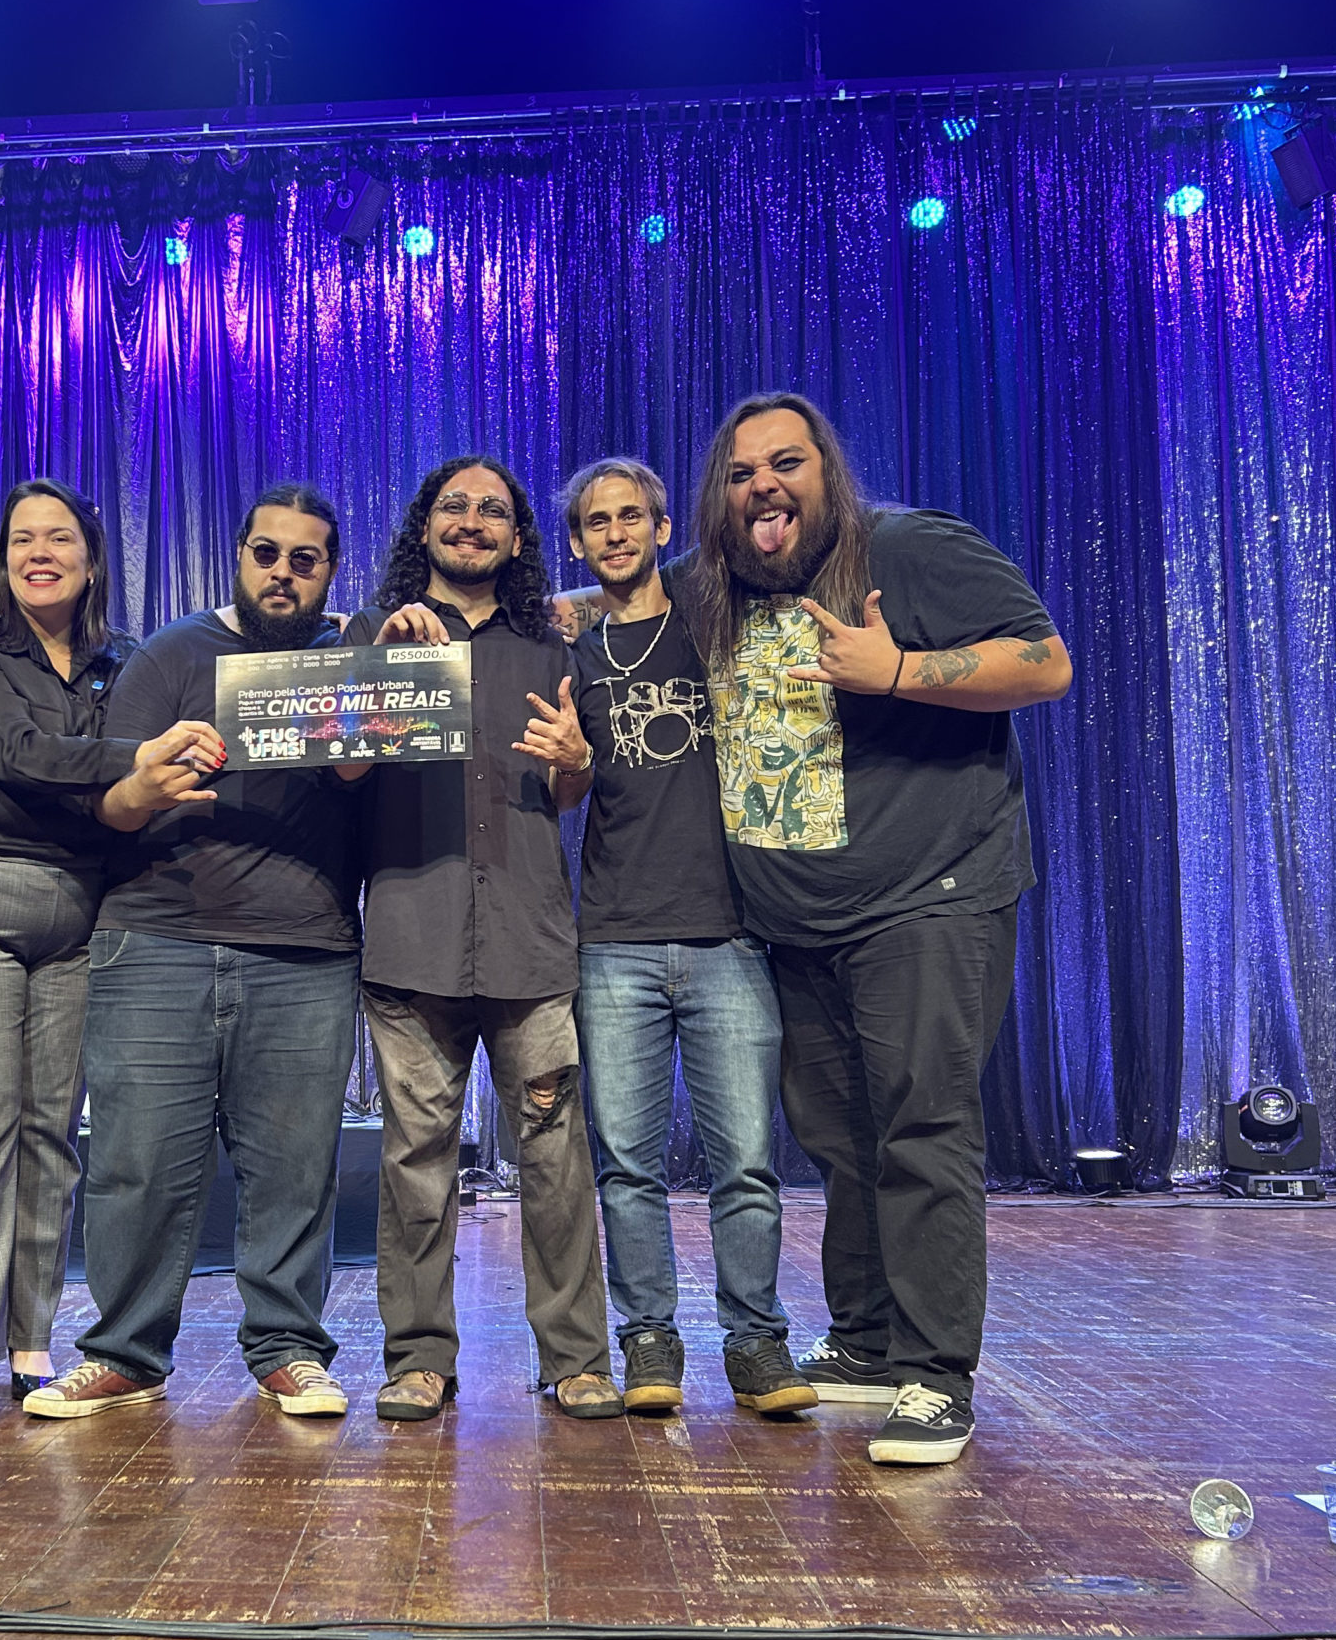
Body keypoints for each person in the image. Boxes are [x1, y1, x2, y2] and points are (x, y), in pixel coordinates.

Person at [687, 392, 1071, 1466]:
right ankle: (865, 1344)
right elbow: (610, 599)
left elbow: (1044, 662)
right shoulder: (715, 587)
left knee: (920, 1129)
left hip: (928, 898)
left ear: (828, 472)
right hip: (795, 921)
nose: (763, 486)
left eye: (786, 463)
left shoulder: (906, 548)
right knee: (841, 1140)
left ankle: (936, 1375)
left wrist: (897, 671)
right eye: (739, 473)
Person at [23, 485, 363, 1423]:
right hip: (155, 941)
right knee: (134, 1165)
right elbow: (109, 805)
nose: (283, 573)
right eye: (267, 553)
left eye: (305, 559)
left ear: (331, 570)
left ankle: (289, 1350)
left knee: (295, 1169)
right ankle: (123, 1353)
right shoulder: (172, 654)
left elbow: (379, 792)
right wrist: (149, 784)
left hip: (304, 948)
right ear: (240, 556)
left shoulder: (356, 667)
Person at [0, 480, 224, 1432]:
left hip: (81, 906)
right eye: (21, 539)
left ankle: (30, 1342)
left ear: (92, 558)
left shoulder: (125, 660)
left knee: (51, 1136)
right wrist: (134, 757)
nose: (37, 554)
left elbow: (128, 786)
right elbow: (13, 750)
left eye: (57, 539)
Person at [342, 456, 622, 1423]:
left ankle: (575, 1358)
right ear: (424, 526)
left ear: (516, 537)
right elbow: (339, 776)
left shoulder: (553, 645)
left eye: (492, 511)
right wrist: (384, 666)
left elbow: (570, 788)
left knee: (555, 1159)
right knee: (415, 1163)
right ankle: (420, 1359)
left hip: (528, 943)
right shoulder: (370, 634)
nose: (471, 521)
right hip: (411, 942)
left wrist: (578, 762)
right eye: (454, 507)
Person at [558, 458, 811, 1420]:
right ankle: (648, 1341)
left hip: (730, 936)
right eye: (598, 522)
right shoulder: (573, 654)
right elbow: (564, 790)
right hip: (614, 940)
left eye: (632, 517)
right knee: (627, 1166)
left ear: (663, 529)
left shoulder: (716, 621)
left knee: (744, 1164)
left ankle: (756, 1344)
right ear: (579, 541)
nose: (617, 533)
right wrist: (572, 764)